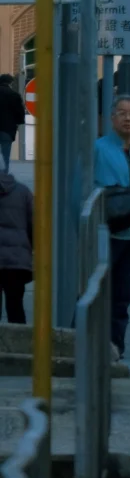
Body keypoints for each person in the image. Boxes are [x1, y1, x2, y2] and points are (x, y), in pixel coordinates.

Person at [93, 96, 130, 356]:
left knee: (122, 300)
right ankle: (81, 349)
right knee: (94, 296)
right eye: (122, 113)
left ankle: (116, 351)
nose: (128, 118)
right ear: (112, 118)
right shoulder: (98, 149)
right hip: (105, 234)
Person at [0, 168, 32, 323]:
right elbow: (34, 226)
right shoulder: (23, 191)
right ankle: (19, 346)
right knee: (15, 307)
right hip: (17, 261)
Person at [0, 76, 26, 173]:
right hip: (7, 129)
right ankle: (4, 176)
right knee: (5, 154)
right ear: (10, 83)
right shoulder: (14, 95)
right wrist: (19, 122)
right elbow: (20, 112)